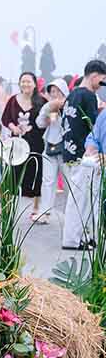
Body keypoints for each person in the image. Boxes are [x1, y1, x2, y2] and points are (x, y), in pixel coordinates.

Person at [61, 60, 106, 250]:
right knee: (82, 201)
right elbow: (94, 128)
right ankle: (74, 239)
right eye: (102, 80)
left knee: (80, 200)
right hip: (85, 157)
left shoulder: (71, 95)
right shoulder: (89, 97)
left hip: (71, 153)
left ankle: (81, 237)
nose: (101, 85)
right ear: (94, 76)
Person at [1, 72, 46, 222]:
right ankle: (7, 208)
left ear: (35, 84)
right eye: (23, 81)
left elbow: (50, 118)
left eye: (29, 82)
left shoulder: (42, 101)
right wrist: (13, 127)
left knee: (36, 173)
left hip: (36, 143)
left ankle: (36, 208)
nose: (25, 84)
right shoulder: (13, 100)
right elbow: (5, 118)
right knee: (11, 174)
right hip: (17, 144)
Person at [37, 79, 70, 220]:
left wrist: (61, 110)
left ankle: (72, 212)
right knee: (48, 181)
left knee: (69, 181)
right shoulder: (47, 106)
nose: (55, 94)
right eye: (52, 92)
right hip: (50, 146)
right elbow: (39, 123)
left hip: (67, 148)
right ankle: (45, 212)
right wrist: (48, 112)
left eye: (58, 91)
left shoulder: (70, 105)